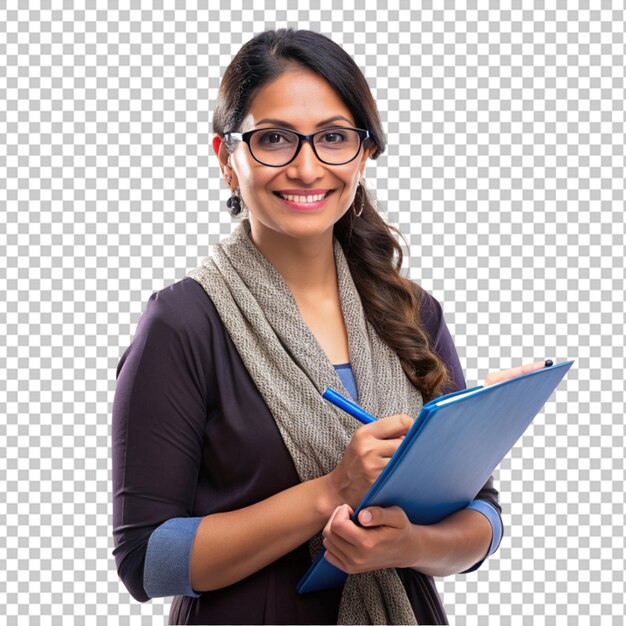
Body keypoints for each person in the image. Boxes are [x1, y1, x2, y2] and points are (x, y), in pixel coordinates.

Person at [111, 28, 536, 625]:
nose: (307, 168)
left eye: (333, 138)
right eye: (274, 139)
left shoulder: (411, 311)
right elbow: (145, 559)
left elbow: (482, 518)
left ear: (363, 154)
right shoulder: (184, 322)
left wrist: (408, 545)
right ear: (226, 159)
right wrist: (332, 491)